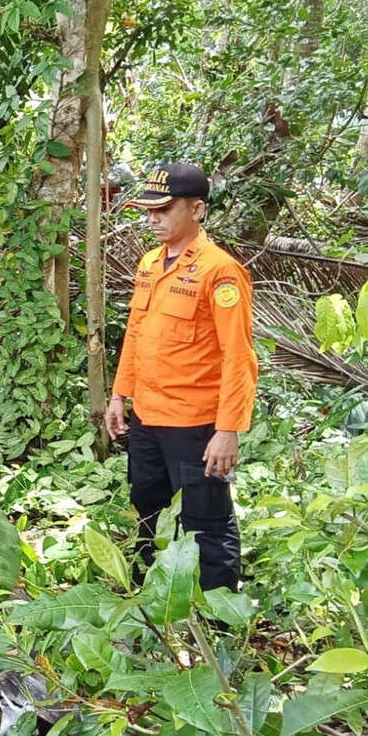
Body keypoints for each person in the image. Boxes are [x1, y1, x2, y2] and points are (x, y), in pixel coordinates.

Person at [106, 163, 257, 591]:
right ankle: (150, 606)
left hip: (195, 425)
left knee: (206, 522)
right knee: (147, 513)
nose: (153, 219)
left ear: (197, 209)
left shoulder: (220, 271)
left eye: (164, 210)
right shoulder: (150, 263)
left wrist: (227, 430)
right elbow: (136, 334)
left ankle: (218, 621)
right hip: (147, 420)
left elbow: (238, 357)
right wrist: (120, 395)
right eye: (148, 210)